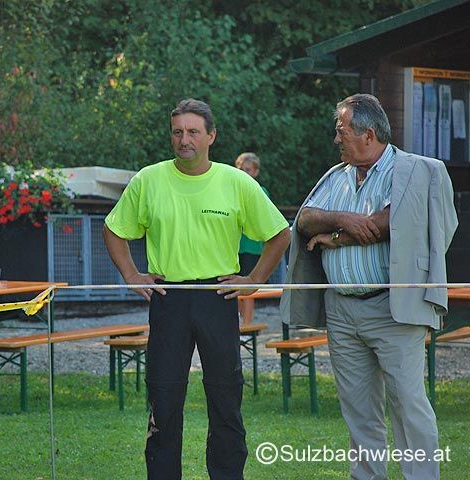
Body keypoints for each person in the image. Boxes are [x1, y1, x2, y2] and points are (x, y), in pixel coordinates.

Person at [103, 98, 290, 479]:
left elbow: (279, 234)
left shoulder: (236, 182)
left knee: (225, 397)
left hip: (216, 297)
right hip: (168, 298)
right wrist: (132, 274)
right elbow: (113, 230)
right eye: (177, 132)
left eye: (192, 132)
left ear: (211, 136)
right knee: (164, 398)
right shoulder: (148, 180)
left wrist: (255, 280)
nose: (184, 140)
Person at [280, 93, 458, 479]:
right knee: (358, 411)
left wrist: (336, 237)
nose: (336, 139)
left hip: (394, 308)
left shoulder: (419, 171)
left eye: (341, 131)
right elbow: (305, 221)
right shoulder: (336, 176)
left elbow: (397, 221)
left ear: (368, 134)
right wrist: (343, 219)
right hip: (342, 311)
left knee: (408, 405)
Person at [234, 153, 268, 324]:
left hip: (251, 247)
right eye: (240, 169)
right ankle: (240, 323)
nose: (243, 172)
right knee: (234, 287)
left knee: (246, 287)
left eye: (247, 170)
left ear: (255, 172)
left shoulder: (260, 191)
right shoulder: (233, 190)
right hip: (234, 247)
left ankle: (247, 326)